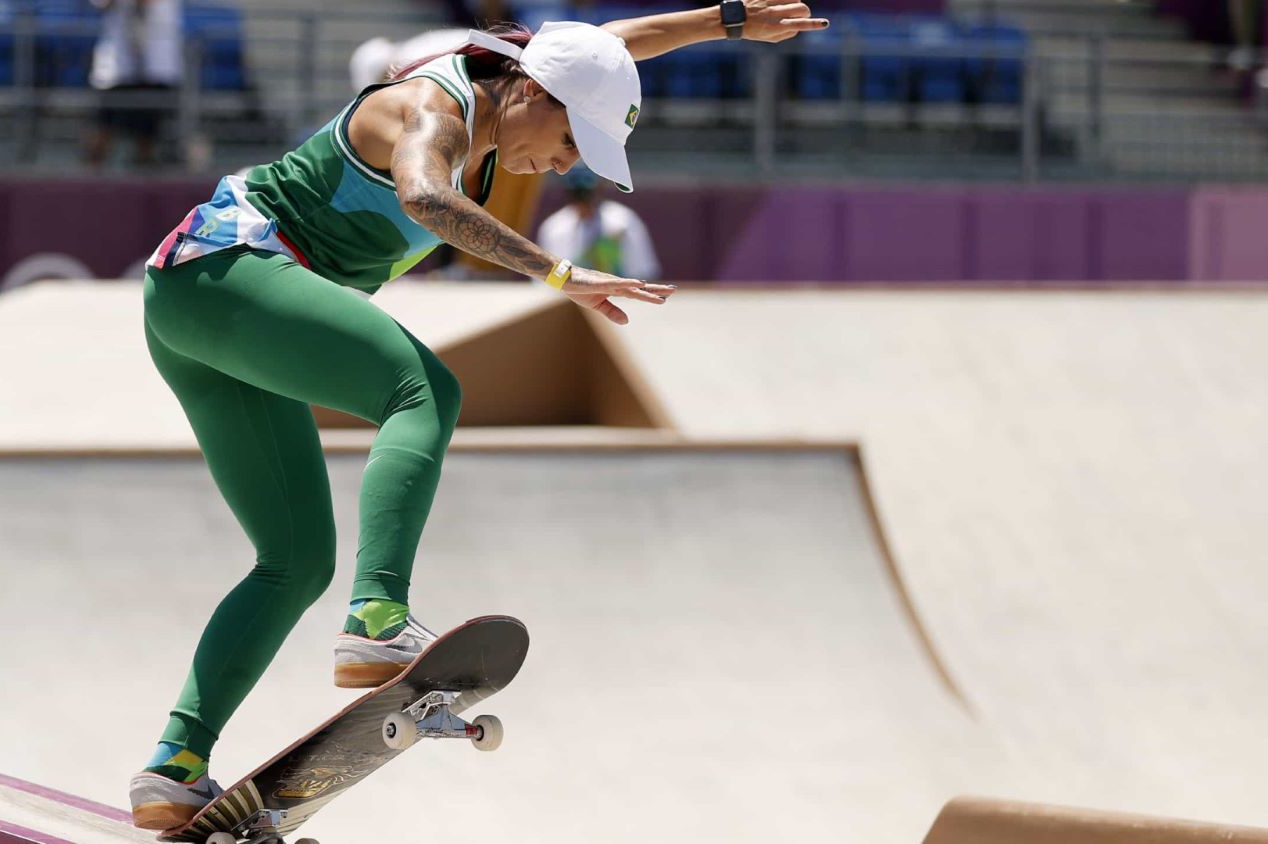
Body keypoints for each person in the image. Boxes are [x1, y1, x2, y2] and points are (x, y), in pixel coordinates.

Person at [128, 2, 829, 829]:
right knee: (423, 392)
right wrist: (559, 273)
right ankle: (378, 617)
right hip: (232, 270)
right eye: (570, 143)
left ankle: (175, 764)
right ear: (532, 93)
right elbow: (425, 196)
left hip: (195, 303)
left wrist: (733, 20)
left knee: (294, 560)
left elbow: (616, 45)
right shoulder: (434, 109)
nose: (565, 166)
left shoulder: (530, 79)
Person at [84, 0, 183, 170]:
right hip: (118, 67)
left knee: (148, 135)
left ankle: (147, 187)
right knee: (102, 128)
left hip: (157, 65)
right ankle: (89, 183)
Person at [536, 165, 661, 280]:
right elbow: (551, 278)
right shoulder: (555, 227)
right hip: (571, 298)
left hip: (620, 296)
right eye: (578, 193)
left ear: (599, 188)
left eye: (587, 192)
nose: (584, 200)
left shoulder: (623, 220)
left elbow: (643, 271)